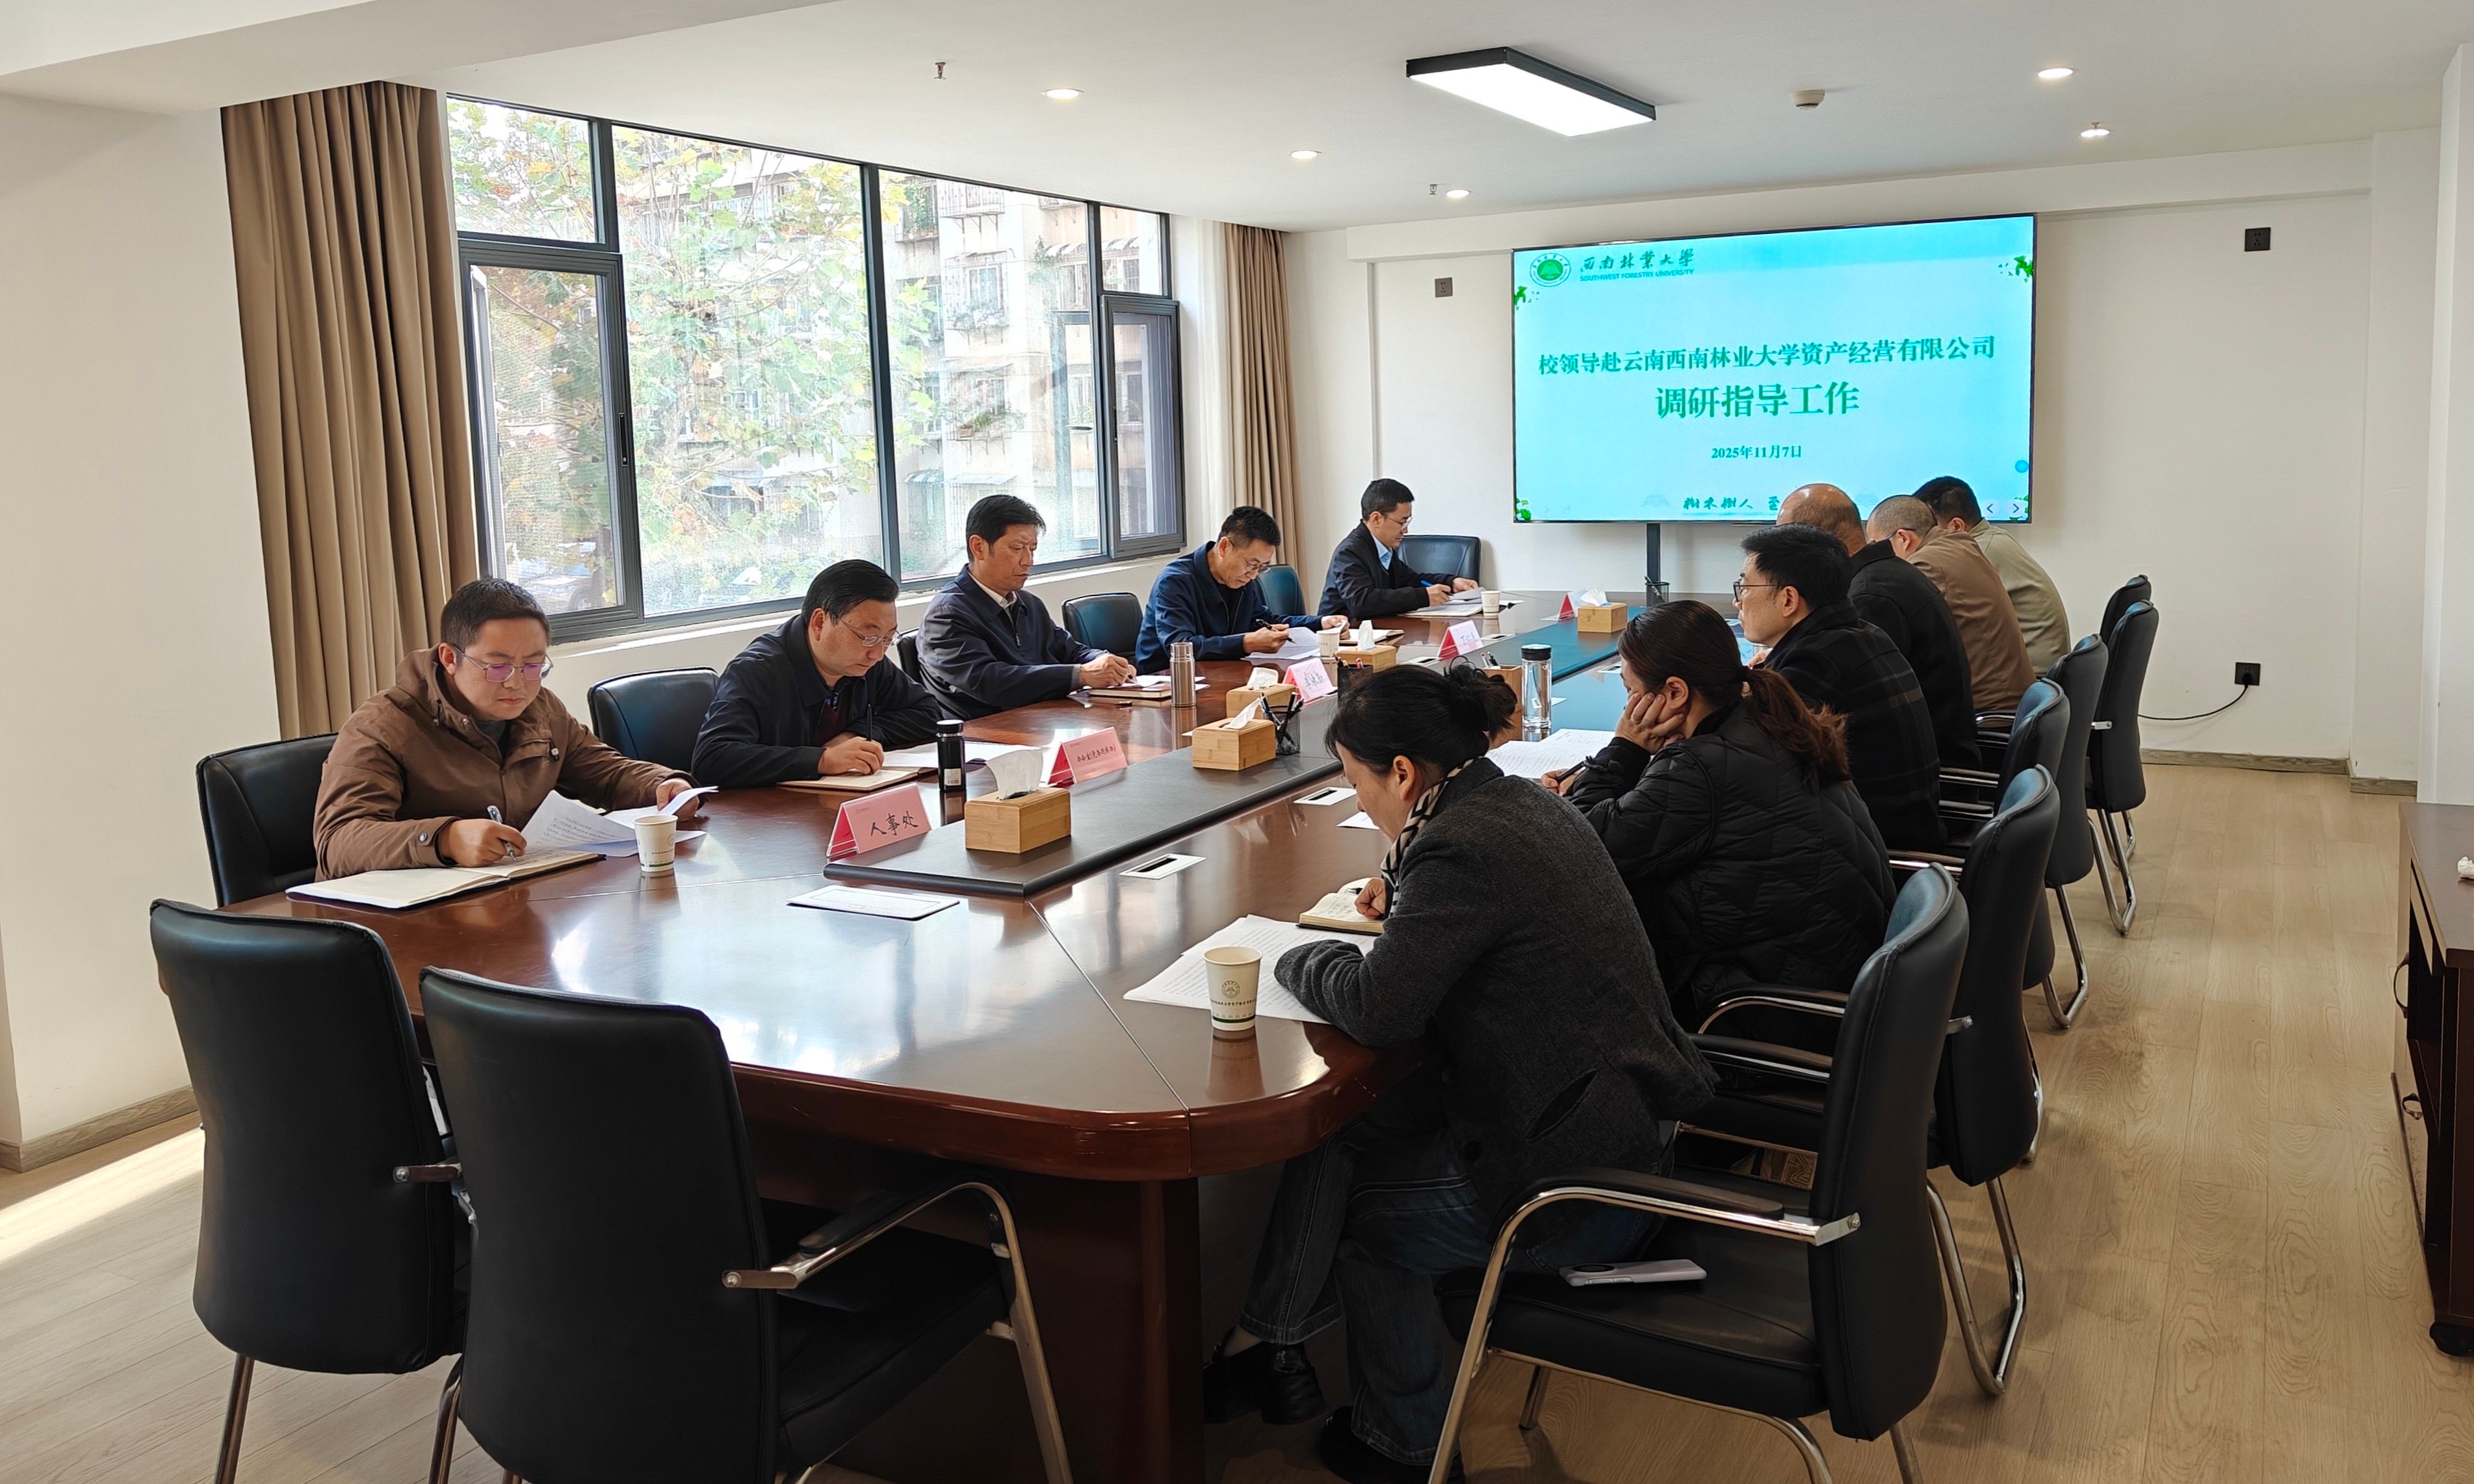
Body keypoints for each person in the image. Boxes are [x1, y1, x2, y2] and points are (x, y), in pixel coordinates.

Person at [1203, 666, 1714, 1484]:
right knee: (1347, 1130)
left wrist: (1299, 956)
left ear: (1403, 772)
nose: (1359, 798)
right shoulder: (1515, 803)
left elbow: (1377, 1009)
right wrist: (1401, 884)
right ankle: (1268, 1346)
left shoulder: (1461, 847)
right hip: (1623, 1116)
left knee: (1368, 1225)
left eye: (1357, 781)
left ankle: (1400, 1445)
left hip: (1580, 1181)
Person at [1547, 601, 1895, 1027]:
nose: (1629, 708)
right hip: (1829, 979)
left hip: (1761, 1012)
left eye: (1630, 691)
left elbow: (1580, 848)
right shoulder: (1765, 719)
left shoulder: (1702, 766)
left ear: (1675, 692)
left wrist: (1625, 748)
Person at [313, 578, 698, 878]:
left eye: (533, 665)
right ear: (450, 658)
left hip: (514, 898)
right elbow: (338, 842)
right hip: (405, 922)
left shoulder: (540, 708)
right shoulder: (384, 727)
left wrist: (661, 786)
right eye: (497, 666)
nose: (517, 683)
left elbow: (605, 773)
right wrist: (444, 839)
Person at [1734, 525, 1946, 850]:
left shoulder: (1815, 663)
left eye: (1745, 588)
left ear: (1788, 599)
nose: (1737, 602)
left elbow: (1745, 762)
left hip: (1873, 850)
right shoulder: (1862, 633)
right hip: (1897, 829)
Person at [1777, 482, 1979, 769]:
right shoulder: (1888, 572)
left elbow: (1841, 700)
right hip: (1933, 754)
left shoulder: (1869, 597)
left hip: (1931, 771)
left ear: (1813, 544)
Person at [690, 559, 941, 787]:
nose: (877, 653)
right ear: (820, 622)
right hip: (767, 814)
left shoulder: (867, 663)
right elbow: (712, 759)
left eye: (887, 638)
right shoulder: (756, 671)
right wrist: (822, 760)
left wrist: (856, 734)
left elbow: (929, 714)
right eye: (868, 636)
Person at [918, 493, 1136, 718]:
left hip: (1042, 721)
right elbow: (989, 681)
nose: (1028, 561)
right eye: (1017, 548)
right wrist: (1080, 675)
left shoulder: (1029, 603)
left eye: (1032, 549)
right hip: (987, 732)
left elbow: (1069, 650)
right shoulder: (947, 614)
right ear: (978, 547)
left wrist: (1102, 660)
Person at [1868, 495, 2036, 714]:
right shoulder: (1961, 545)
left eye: (1876, 545)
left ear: (1903, 538)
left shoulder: (1925, 565)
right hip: (2013, 700)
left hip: (1987, 711)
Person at [1132, 505, 1344, 672]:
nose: (1253, 574)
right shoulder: (1175, 581)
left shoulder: (1241, 579)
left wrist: (1320, 623)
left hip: (1221, 674)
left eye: (1261, 567)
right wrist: (1246, 643)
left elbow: (1265, 620)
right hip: (1167, 685)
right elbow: (1179, 647)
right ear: (1225, 547)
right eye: (1251, 564)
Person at [1916, 475, 2072, 670]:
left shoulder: (1976, 553)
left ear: (1956, 526)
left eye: (1927, 528)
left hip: (2032, 673)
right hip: (2042, 669)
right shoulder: (1992, 538)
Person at [1316, 478, 1477, 622]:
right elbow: (1362, 602)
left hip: (1379, 632)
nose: (1405, 530)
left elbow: (1412, 580)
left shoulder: (1384, 549)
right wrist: (1423, 596)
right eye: (1402, 522)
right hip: (1344, 638)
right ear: (1377, 519)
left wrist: (1451, 582)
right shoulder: (1349, 553)